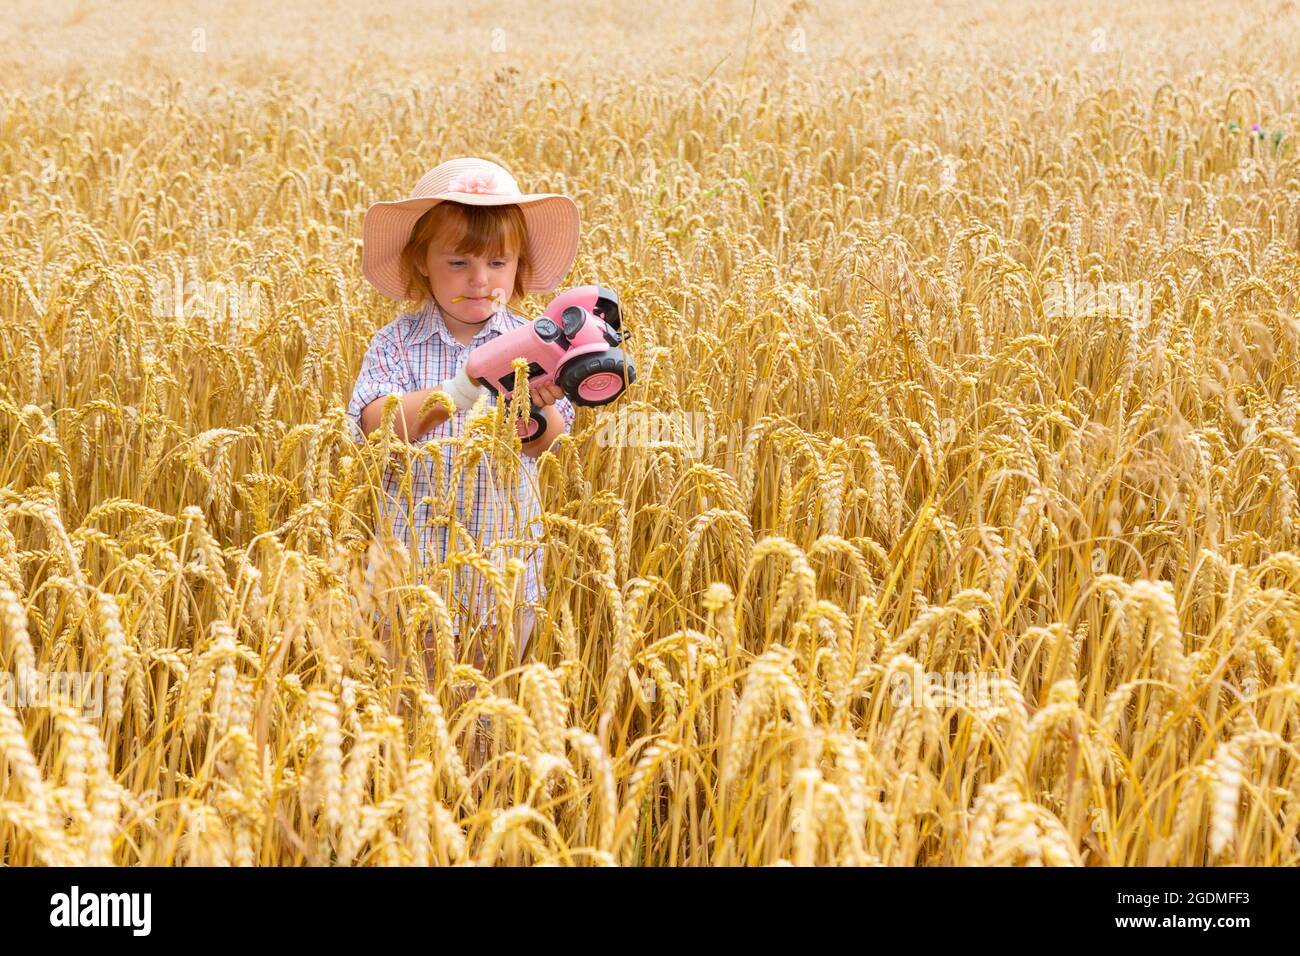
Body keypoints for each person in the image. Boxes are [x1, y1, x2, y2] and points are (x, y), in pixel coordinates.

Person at [346, 157, 580, 694]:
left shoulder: (537, 343)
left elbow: (549, 437)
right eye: (458, 263)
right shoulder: (396, 344)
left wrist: (533, 409)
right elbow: (375, 424)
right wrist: (457, 391)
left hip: (504, 565)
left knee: (486, 713)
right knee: (410, 707)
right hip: (410, 565)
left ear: (519, 266)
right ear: (422, 262)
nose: (481, 281)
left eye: (498, 263)